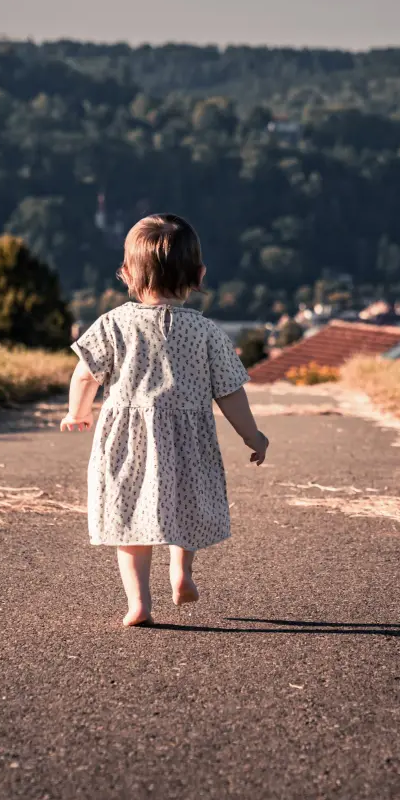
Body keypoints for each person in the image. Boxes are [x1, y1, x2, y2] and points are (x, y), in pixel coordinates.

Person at [61, 214, 269, 627]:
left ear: (126, 274)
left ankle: (139, 604)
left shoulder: (113, 323)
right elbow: (230, 392)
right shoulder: (208, 332)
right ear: (198, 274)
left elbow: (86, 372)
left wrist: (77, 412)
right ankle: (181, 573)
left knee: (129, 519)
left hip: (128, 440)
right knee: (185, 506)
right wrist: (253, 435)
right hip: (188, 439)